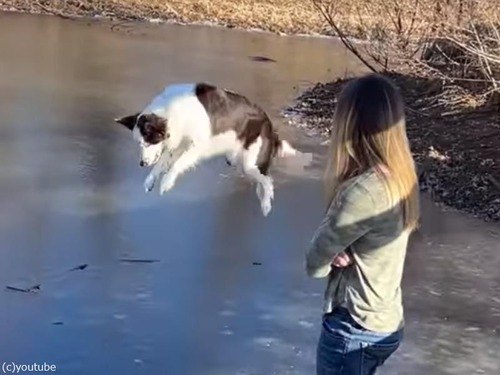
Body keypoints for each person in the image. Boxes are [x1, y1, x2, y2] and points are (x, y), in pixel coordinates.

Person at [305, 73, 420, 375]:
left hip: (354, 328)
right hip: (385, 322)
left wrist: (331, 254)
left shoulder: (363, 192)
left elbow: (315, 263)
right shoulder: (400, 176)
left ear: (349, 125)